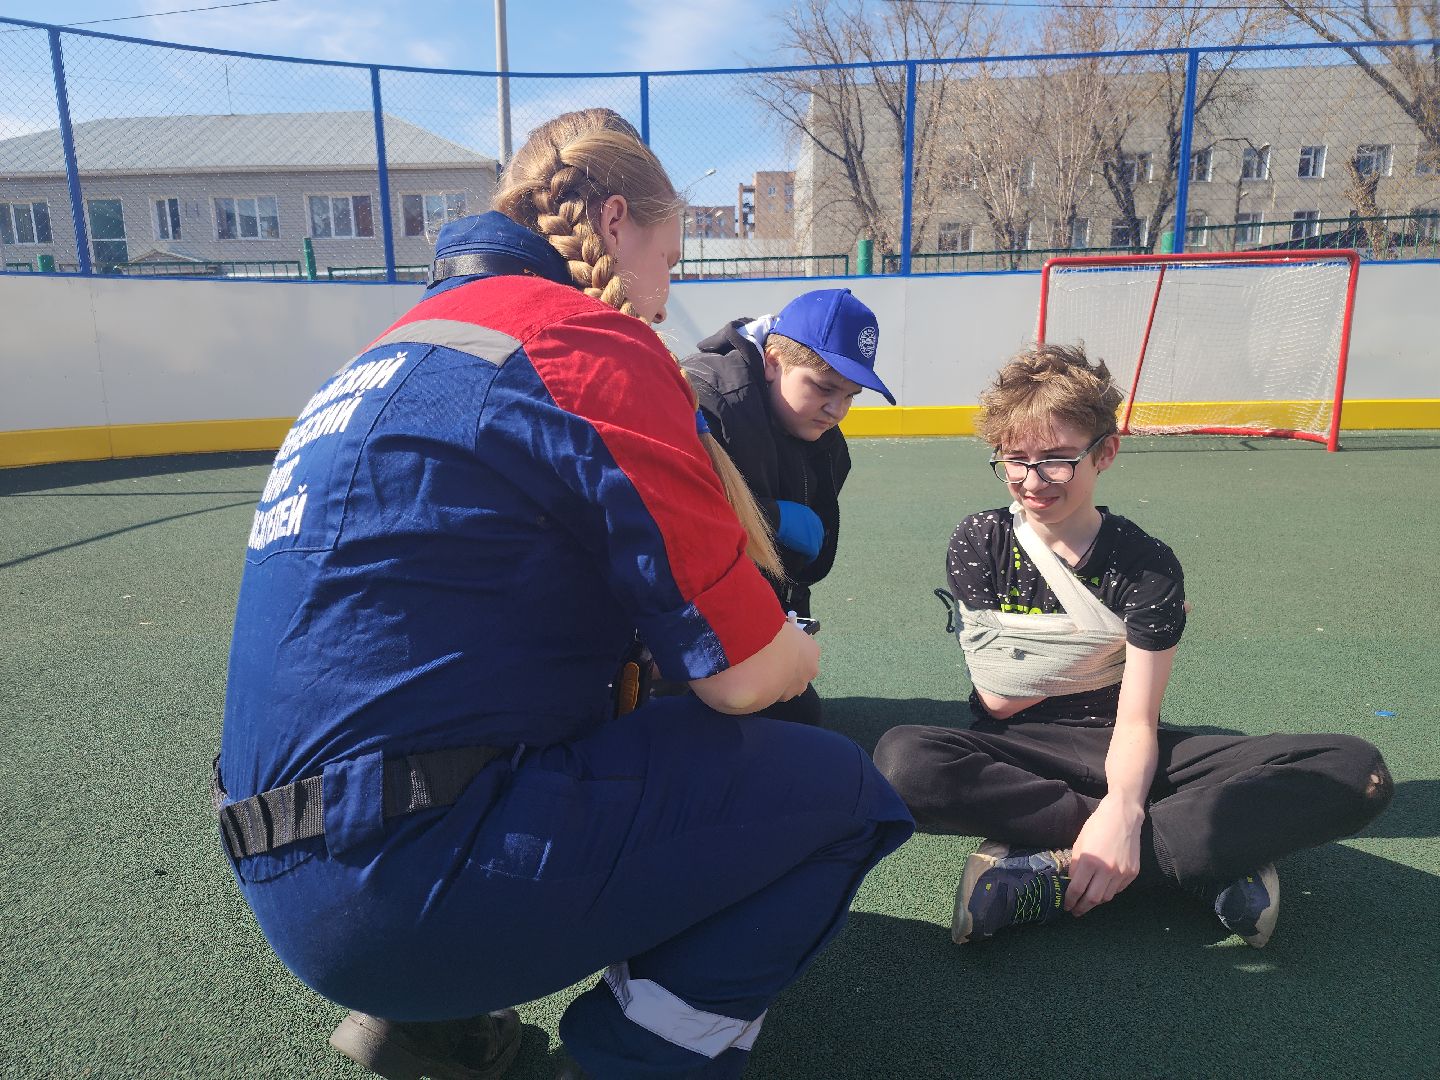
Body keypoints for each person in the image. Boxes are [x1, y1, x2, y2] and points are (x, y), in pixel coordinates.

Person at [215, 108, 913, 1080]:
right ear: (616, 223)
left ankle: (433, 1022)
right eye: (670, 260)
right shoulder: (581, 345)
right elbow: (745, 677)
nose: (667, 296)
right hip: (405, 889)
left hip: (283, 863)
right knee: (847, 794)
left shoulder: (387, 352)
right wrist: (799, 648)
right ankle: (627, 1057)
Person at [873, 343, 1391, 949]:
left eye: (1057, 461)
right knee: (904, 762)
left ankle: (1050, 868)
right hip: (1018, 750)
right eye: (1015, 460)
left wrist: (1123, 807)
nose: (1032, 481)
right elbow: (1000, 695)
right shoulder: (981, 538)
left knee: (1356, 770)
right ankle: (1203, 859)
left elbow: (1137, 719)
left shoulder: (1146, 563)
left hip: (1121, 742)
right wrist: (1112, 640)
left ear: (1106, 453)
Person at [680, 289, 894, 725]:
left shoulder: (824, 438)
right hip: (681, 622)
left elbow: (800, 565)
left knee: (797, 714)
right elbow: (672, 517)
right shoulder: (707, 399)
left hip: (751, 601)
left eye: (851, 395)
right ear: (774, 362)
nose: (836, 410)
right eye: (824, 388)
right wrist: (770, 518)